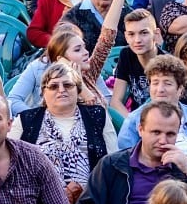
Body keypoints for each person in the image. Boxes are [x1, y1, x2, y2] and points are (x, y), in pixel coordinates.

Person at [11, 62, 117, 196]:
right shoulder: (25, 120)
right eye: (54, 86)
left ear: (78, 90)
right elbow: (9, 165)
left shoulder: (98, 115)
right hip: (39, 201)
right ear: (43, 92)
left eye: (67, 85)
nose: (61, 90)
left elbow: (113, 161)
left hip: (90, 199)